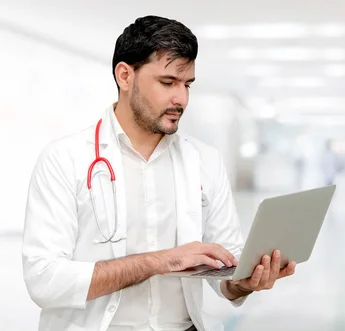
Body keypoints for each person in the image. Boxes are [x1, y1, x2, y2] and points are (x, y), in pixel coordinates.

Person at [21, 15, 296, 331]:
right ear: (125, 76)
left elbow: (225, 274)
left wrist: (244, 282)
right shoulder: (64, 159)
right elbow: (43, 281)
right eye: (167, 83)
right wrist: (162, 261)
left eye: (187, 84)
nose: (181, 98)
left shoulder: (205, 160)